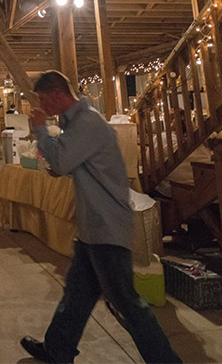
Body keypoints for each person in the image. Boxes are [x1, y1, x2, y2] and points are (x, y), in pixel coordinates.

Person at [20, 71, 180, 364]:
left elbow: (61, 159)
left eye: (44, 98)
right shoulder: (78, 124)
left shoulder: (87, 123)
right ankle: (58, 349)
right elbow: (71, 162)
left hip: (106, 227)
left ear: (57, 94)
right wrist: (64, 163)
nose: (42, 105)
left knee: (127, 305)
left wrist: (41, 130)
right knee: (77, 296)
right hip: (93, 227)